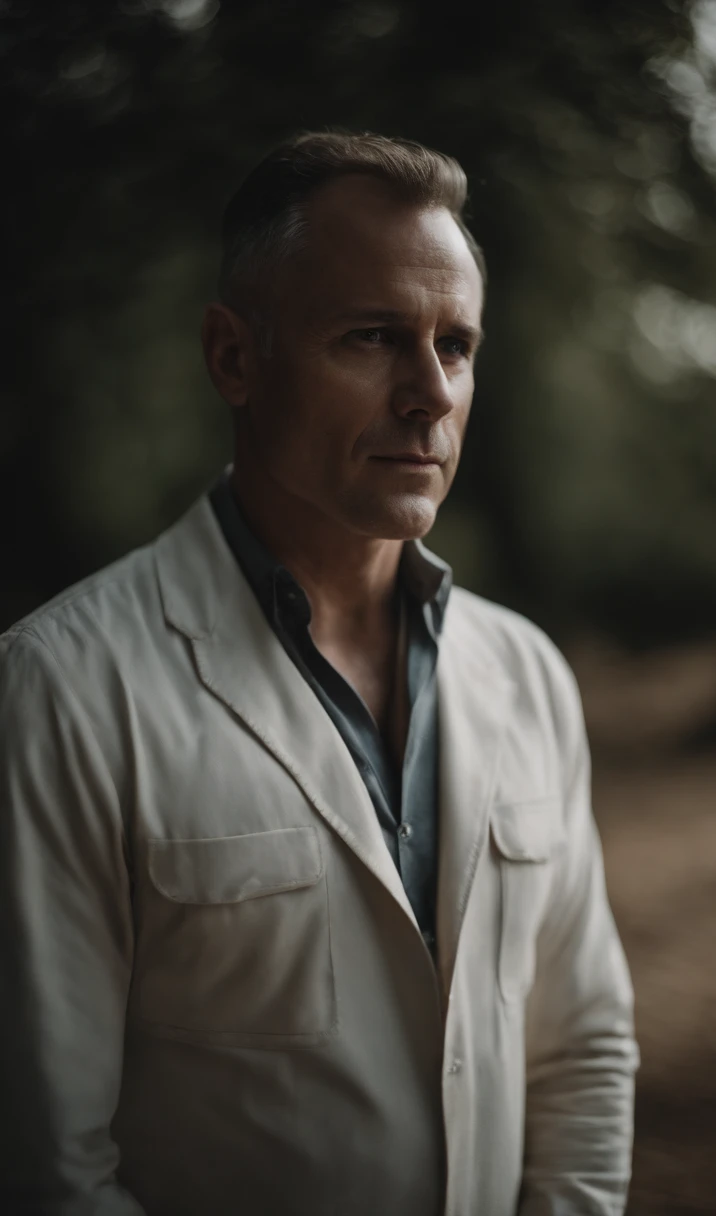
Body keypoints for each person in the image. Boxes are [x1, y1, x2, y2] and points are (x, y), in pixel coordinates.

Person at [0, 130, 637, 1216]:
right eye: (373, 337)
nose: (431, 394)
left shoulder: (527, 674)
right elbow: (45, 1167)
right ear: (233, 357)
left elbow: (581, 1050)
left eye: (458, 344)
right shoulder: (58, 691)